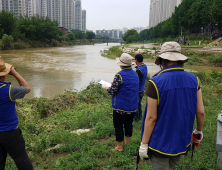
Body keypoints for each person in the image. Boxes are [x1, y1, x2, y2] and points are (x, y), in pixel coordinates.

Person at [139, 42, 205, 169]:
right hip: (182, 140)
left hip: (160, 143)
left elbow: (151, 118)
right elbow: (200, 112)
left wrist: (144, 144)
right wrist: (198, 131)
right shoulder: (194, 79)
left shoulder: (155, 82)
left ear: (162, 60)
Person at [0, 56, 33, 170]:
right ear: (4, 75)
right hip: (10, 133)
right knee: (21, 159)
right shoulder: (9, 90)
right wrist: (15, 73)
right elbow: (27, 88)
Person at [103, 53, 139, 151]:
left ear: (121, 64)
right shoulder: (135, 74)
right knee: (128, 125)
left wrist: (107, 88)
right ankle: (127, 144)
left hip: (120, 107)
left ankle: (119, 147)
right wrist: (114, 85)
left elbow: (112, 91)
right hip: (132, 106)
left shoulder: (119, 75)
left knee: (118, 127)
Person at [133, 54, 148, 122]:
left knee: (136, 105)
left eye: (135, 59)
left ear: (136, 60)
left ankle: (137, 119)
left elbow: (137, 82)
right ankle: (140, 117)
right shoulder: (144, 66)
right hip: (142, 89)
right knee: (139, 104)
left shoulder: (139, 70)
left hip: (138, 90)